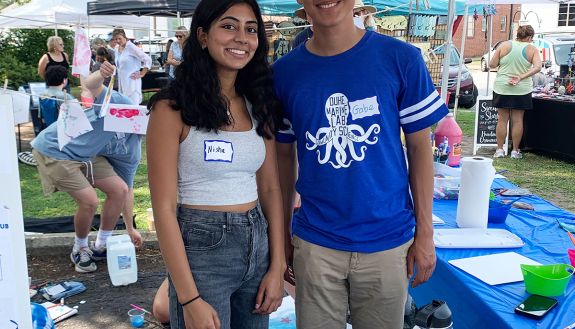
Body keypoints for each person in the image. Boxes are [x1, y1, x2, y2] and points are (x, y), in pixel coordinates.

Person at [273, 0, 448, 328]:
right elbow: (283, 158)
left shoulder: (400, 58)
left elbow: (420, 146)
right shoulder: (284, 73)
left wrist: (425, 233)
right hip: (315, 242)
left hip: (388, 240)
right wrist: (282, 235)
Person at [146, 0, 286, 328]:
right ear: (203, 36)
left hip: (258, 244)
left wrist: (277, 265)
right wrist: (188, 297)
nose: (241, 37)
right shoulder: (171, 109)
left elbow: (270, 188)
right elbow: (163, 209)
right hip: (202, 251)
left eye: (250, 29)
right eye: (228, 25)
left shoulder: (258, 103)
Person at [31, 61, 142, 273]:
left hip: (85, 155)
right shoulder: (123, 104)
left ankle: (100, 246)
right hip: (55, 148)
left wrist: (129, 228)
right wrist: (101, 73)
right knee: (89, 201)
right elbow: (91, 86)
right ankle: (79, 247)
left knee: (119, 190)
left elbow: (127, 191)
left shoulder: (131, 150)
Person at [490, 25, 541, 159]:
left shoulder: (504, 45)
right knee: (518, 120)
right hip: (522, 88)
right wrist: (521, 77)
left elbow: (492, 64)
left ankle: (500, 150)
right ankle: (515, 151)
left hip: (502, 87)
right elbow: (537, 67)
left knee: (502, 120)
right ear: (530, 37)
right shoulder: (532, 49)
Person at [112, 28, 152, 105]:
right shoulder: (117, 48)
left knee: (133, 108)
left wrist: (142, 73)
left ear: (124, 36)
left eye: (119, 38)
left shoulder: (131, 47)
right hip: (122, 83)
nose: (118, 41)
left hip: (132, 83)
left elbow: (147, 59)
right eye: (116, 39)